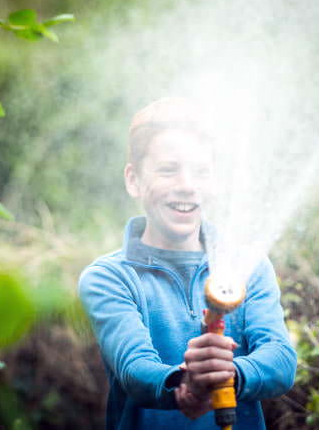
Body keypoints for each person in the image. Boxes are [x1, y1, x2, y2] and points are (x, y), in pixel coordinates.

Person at [78, 97, 297, 429]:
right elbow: (134, 368)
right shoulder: (109, 277)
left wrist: (230, 375)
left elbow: (280, 360)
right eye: (168, 170)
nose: (187, 185)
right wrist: (183, 385)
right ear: (133, 180)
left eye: (201, 172)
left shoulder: (248, 265)